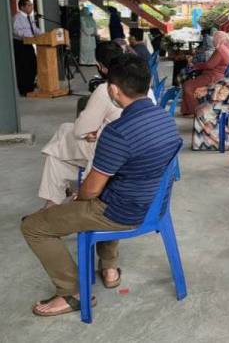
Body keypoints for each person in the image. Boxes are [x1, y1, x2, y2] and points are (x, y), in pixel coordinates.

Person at [21, 53, 182, 317]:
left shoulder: (118, 132)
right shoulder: (165, 119)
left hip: (122, 212)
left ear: (113, 90)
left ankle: (72, 293)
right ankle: (109, 267)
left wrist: (77, 199)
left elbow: (92, 191)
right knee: (109, 191)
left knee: (34, 227)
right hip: (153, 203)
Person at [37, 42, 124, 208]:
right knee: (57, 156)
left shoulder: (107, 90)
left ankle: (50, 209)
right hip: (122, 146)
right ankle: (50, 207)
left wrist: (95, 132)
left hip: (109, 151)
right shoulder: (137, 84)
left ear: (100, 66)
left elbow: (81, 129)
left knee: (59, 142)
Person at [181, 31, 229, 116]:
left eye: (214, 38)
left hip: (212, 76)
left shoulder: (220, 50)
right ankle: (188, 110)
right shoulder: (227, 49)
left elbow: (209, 65)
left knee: (187, 86)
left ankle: (195, 111)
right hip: (218, 75)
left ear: (219, 39)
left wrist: (195, 66)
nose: (213, 40)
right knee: (189, 84)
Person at [12, 0, 41, 95]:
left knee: (33, 64)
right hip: (20, 45)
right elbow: (16, 31)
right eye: (29, 5)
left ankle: (30, 86)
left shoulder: (29, 17)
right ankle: (24, 89)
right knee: (23, 67)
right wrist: (28, 36)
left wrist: (43, 34)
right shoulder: (17, 17)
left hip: (28, 44)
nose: (31, 7)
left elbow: (34, 29)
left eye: (31, 5)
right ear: (22, 7)